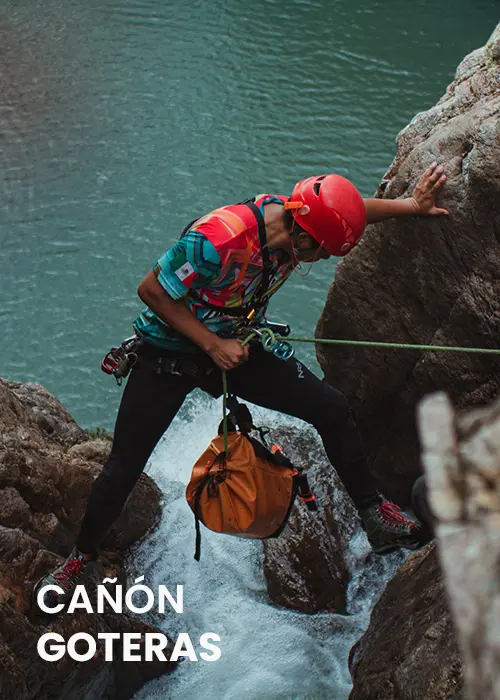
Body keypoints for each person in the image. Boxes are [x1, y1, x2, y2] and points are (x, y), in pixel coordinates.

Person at [36, 162, 448, 607]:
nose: (321, 259)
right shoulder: (221, 236)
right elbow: (152, 289)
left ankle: (374, 516)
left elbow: (348, 212)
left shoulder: (304, 220)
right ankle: (79, 559)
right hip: (169, 352)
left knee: (330, 407)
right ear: (303, 231)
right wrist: (212, 345)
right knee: (124, 467)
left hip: (233, 343)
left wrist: (411, 205)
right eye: (322, 251)